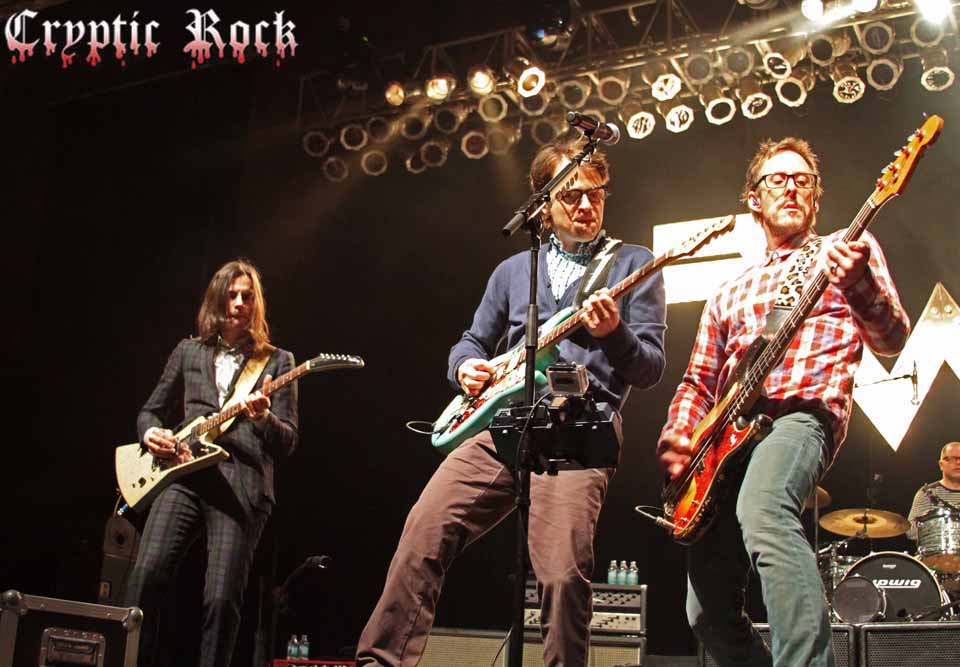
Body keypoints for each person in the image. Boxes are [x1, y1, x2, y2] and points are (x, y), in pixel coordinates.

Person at [356, 136, 666, 667]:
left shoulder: (634, 264)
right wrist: (465, 368)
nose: (587, 206)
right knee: (423, 532)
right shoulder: (513, 271)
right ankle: (378, 661)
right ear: (543, 203)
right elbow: (472, 341)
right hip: (503, 426)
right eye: (571, 196)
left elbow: (649, 367)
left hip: (577, 435)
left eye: (596, 194)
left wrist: (615, 333)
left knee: (563, 576)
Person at [657, 138, 910, 666]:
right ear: (754, 197)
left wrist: (858, 281)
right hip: (723, 441)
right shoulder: (728, 290)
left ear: (816, 198)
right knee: (705, 612)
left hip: (800, 417)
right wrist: (679, 435)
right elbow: (698, 380)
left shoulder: (847, 248)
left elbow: (891, 338)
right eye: (778, 178)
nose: (792, 186)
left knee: (765, 512)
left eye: (803, 180)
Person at [125, 259, 299, 667]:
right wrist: (150, 433)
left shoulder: (278, 361)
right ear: (218, 300)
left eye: (248, 295)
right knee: (144, 578)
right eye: (232, 294)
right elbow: (150, 411)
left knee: (221, 600)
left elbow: (288, 439)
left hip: (241, 485)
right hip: (183, 477)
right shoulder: (188, 351)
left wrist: (263, 418)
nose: (240, 302)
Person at [907, 441, 960, 541]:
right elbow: (911, 531)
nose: (958, 462)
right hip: (937, 553)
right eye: (952, 458)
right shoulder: (927, 493)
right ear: (941, 464)